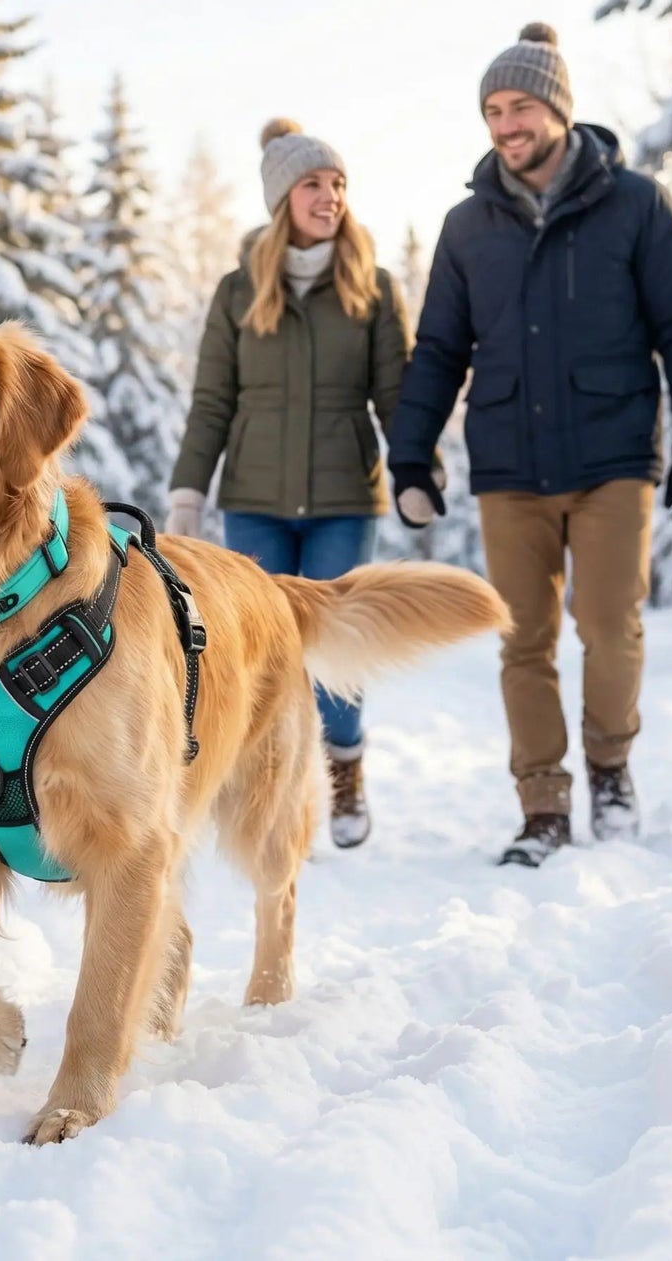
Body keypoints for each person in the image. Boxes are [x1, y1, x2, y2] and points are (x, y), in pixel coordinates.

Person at [387, 23, 672, 867]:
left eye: (521, 106)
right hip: (509, 466)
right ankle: (542, 804)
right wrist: (411, 455)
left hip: (613, 456)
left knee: (608, 625)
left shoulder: (636, 204)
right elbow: (437, 350)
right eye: (493, 110)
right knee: (521, 639)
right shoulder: (467, 226)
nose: (506, 124)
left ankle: (609, 764)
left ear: (558, 109)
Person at [167, 118, 416, 849]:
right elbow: (212, 400)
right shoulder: (238, 290)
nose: (330, 195)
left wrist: (412, 473)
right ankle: (266, 786)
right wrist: (189, 491)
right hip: (254, 501)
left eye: (338, 183)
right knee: (260, 659)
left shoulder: (372, 288)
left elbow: (395, 396)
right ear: (281, 199)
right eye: (313, 183)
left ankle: (344, 767)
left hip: (344, 495)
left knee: (332, 645)